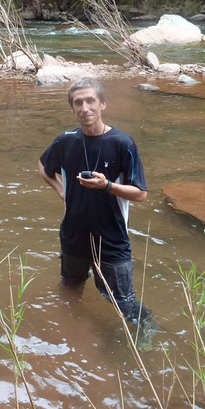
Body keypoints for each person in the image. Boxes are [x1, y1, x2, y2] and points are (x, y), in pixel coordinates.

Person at [38, 77, 152, 328]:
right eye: (78, 103)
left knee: (124, 302)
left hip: (111, 240)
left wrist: (108, 186)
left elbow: (141, 194)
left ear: (102, 105)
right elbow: (44, 166)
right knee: (70, 288)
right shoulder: (66, 140)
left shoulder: (123, 143)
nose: (84, 108)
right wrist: (62, 192)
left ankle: (147, 337)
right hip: (73, 235)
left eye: (90, 101)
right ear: (72, 109)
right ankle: (72, 332)